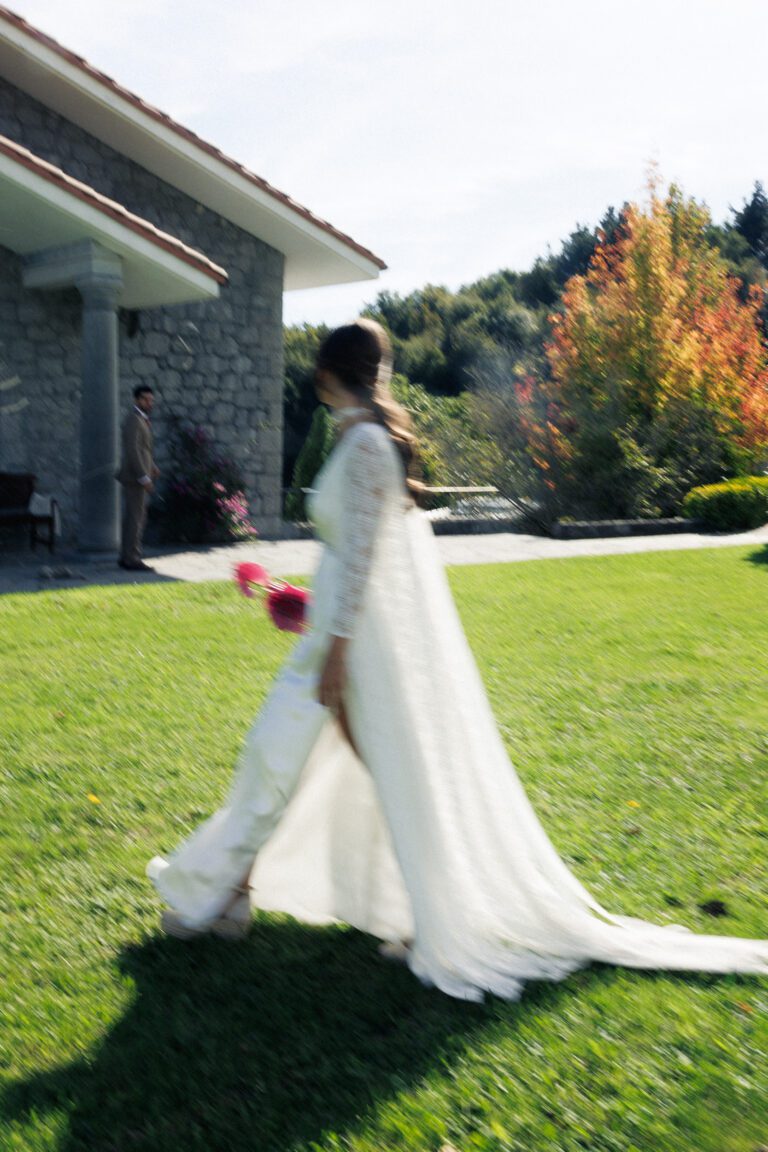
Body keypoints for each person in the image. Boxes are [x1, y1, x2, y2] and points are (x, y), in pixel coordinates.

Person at [148, 320, 767, 1002]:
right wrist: (311, 610)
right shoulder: (362, 439)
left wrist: (338, 654)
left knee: (293, 758)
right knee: (307, 762)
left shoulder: (363, 447)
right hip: (332, 637)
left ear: (329, 372)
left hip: (345, 649)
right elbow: (354, 554)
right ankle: (246, 892)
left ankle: (253, 895)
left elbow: (360, 563)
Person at [116, 385, 159, 571]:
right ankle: (131, 558)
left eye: (151, 400)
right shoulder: (134, 420)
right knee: (136, 518)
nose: (149, 403)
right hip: (135, 478)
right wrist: (143, 476)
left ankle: (127, 556)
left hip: (140, 475)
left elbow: (144, 449)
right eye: (145, 399)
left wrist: (153, 467)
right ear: (137, 400)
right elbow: (132, 451)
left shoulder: (142, 420)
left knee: (135, 517)